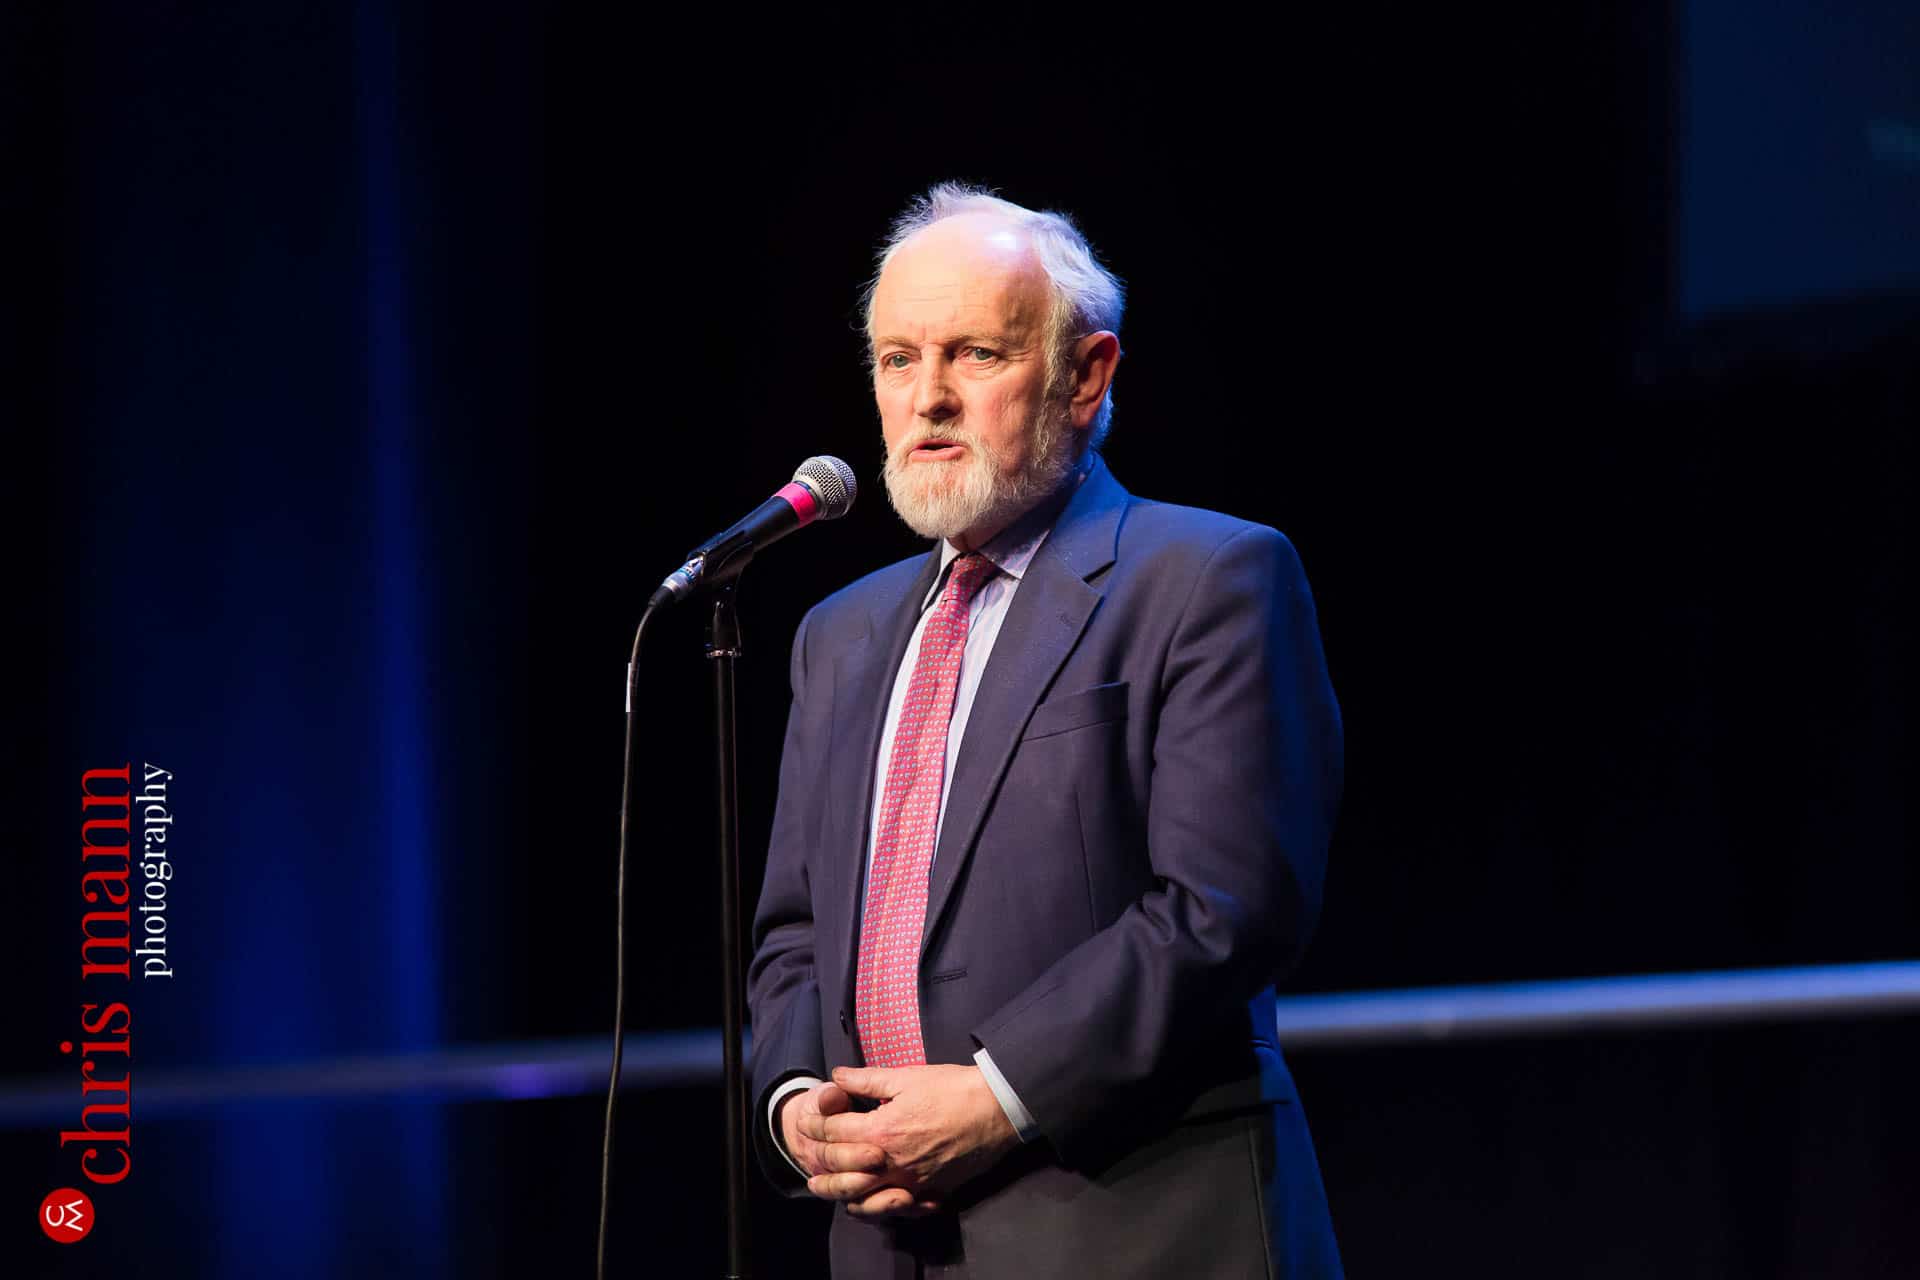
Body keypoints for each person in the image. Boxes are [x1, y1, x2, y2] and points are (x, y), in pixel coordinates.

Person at [746, 182, 1345, 1279]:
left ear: (1086, 375)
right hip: (885, 1241)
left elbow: (1226, 906)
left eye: (975, 354)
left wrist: (999, 1095)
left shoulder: (1208, 578)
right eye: (897, 360)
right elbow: (794, 931)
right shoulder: (838, 635)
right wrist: (794, 1103)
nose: (928, 398)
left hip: (1133, 1225)